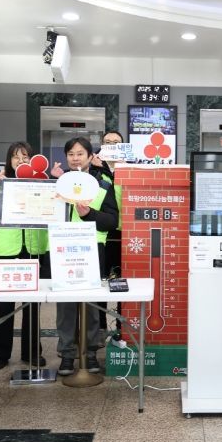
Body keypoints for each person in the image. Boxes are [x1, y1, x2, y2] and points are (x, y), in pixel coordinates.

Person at [52, 137, 119, 375]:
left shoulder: (103, 186)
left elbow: (112, 221)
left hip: (92, 250)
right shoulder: (57, 184)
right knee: (65, 306)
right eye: (71, 154)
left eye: (80, 154)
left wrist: (89, 213)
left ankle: (90, 353)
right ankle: (67, 354)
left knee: (91, 305)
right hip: (62, 250)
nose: (75, 158)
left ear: (91, 157)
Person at [0, 141, 49, 370]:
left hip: (32, 247)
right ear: (9, 160)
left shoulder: (42, 182)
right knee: (4, 304)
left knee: (32, 304)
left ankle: (32, 352)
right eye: (16, 157)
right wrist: (5, 189)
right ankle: (0, 353)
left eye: (25, 157)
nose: (20, 161)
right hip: (7, 250)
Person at [91, 130, 125, 335]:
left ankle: (122, 328)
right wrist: (98, 169)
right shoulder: (93, 169)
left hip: (125, 234)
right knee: (100, 282)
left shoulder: (131, 167)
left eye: (116, 142)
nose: (112, 145)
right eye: (107, 142)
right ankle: (99, 328)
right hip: (102, 233)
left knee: (122, 282)